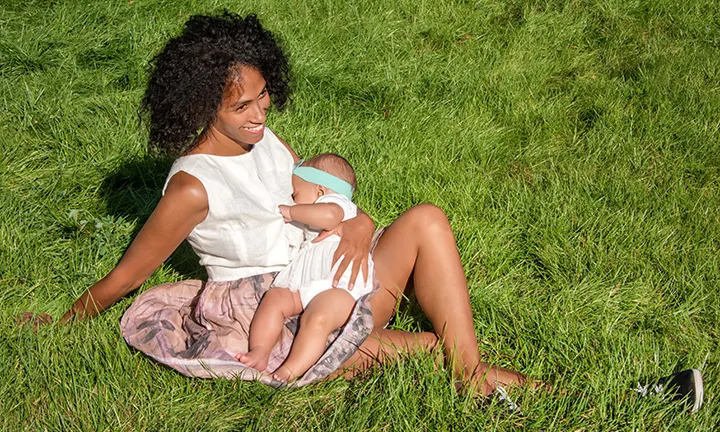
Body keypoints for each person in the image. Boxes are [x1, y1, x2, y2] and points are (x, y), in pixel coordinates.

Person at [20, 11, 703, 412]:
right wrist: (64, 317)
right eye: (243, 107)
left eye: (264, 98)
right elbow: (128, 273)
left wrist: (361, 224)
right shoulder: (192, 188)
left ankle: (476, 375)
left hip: (330, 274)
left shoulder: (266, 140)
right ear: (201, 107)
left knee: (426, 218)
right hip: (282, 314)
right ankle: (622, 401)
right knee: (434, 352)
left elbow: (330, 203)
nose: (262, 115)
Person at [239, 153, 375, 382]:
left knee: (318, 318)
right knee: (274, 299)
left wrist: (291, 212)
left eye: (295, 193)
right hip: (307, 280)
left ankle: (291, 370)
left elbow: (330, 217)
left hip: (339, 287)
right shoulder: (317, 209)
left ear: (320, 191)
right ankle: (260, 351)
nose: (293, 199)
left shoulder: (338, 205)